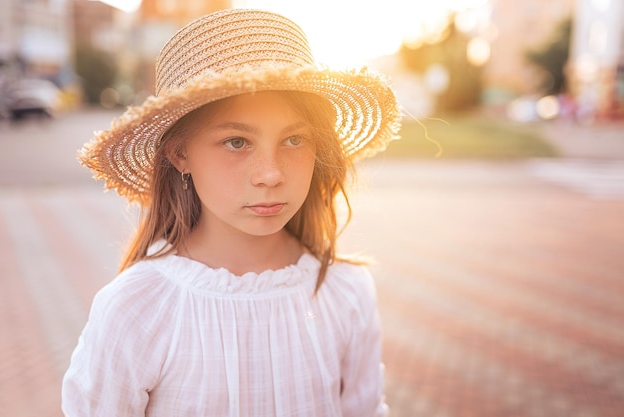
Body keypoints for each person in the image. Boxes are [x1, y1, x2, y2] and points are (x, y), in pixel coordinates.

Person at [62, 8, 401, 417]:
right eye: (237, 142)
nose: (271, 174)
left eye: (294, 139)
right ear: (180, 153)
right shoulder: (137, 308)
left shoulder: (345, 291)